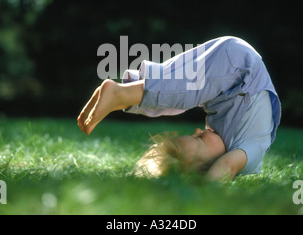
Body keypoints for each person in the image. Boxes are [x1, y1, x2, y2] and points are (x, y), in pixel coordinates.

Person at [77, 36, 281, 181]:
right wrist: (206, 192)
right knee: (182, 92)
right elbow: (225, 167)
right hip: (241, 68)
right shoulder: (250, 152)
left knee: (178, 89)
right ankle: (122, 94)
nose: (198, 130)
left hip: (234, 67)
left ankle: (124, 95)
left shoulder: (224, 139)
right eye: (199, 138)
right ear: (211, 164)